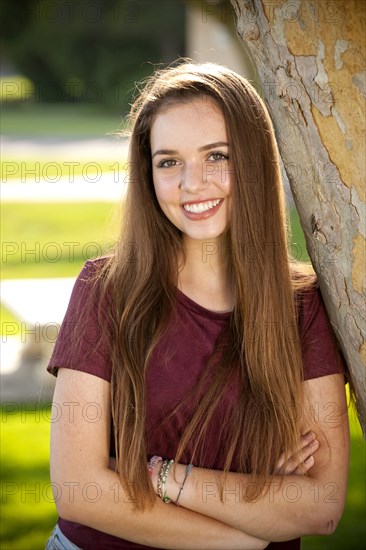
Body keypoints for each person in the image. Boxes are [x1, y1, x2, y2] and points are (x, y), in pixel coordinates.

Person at [46, 61, 350, 550]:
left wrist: (163, 477)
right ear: (148, 175)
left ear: (253, 161)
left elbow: (321, 505)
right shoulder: (105, 290)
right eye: (169, 161)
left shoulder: (302, 306)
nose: (193, 182)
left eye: (217, 156)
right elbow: (80, 493)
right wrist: (244, 533)